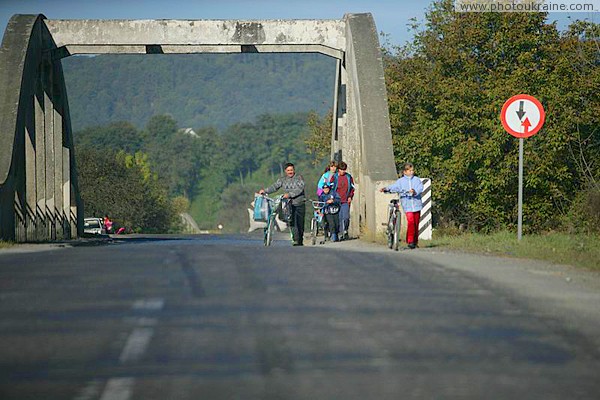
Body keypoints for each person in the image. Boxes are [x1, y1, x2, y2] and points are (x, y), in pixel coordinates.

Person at [259, 162, 306, 246]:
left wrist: (290, 194)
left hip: (299, 203)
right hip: (288, 204)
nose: (290, 172)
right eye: (288, 170)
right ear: (285, 171)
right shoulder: (282, 179)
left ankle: (300, 240)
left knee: (300, 223)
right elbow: (274, 187)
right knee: (292, 222)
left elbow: (300, 189)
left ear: (294, 170)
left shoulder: (299, 178)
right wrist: (265, 191)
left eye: (291, 170)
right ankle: (295, 239)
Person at [379, 163, 424, 249]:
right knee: (410, 222)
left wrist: (415, 192)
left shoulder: (417, 180)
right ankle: (410, 241)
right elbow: (394, 187)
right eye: (409, 170)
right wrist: (386, 188)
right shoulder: (401, 181)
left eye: (412, 170)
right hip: (407, 204)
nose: (412, 172)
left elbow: (420, 188)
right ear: (405, 172)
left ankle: (414, 241)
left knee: (415, 223)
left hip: (416, 204)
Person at [335, 161, 355, 240]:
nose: (342, 171)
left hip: (345, 200)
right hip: (336, 201)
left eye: (344, 170)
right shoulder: (335, 177)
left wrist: (350, 196)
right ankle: (340, 233)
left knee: (346, 217)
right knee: (339, 218)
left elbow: (352, 188)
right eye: (341, 170)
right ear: (338, 170)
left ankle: (346, 230)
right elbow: (331, 188)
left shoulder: (348, 177)